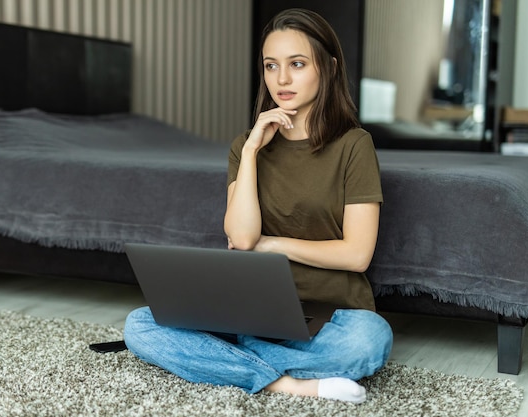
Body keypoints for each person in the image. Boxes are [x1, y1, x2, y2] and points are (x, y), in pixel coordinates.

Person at [124, 8, 393, 404]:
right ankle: (288, 384)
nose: (281, 79)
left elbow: (356, 255)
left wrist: (274, 245)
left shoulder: (354, 145)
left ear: (329, 68)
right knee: (139, 325)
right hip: (250, 309)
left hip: (332, 315)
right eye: (271, 66)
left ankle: (223, 362)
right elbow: (243, 237)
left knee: (370, 343)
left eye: (297, 64)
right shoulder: (245, 147)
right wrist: (251, 150)